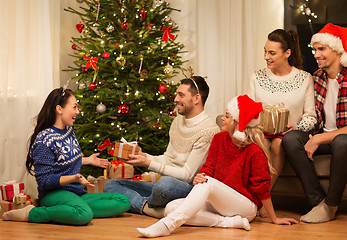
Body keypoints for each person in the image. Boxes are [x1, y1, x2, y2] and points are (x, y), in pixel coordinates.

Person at [137, 95, 298, 238]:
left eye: (227, 116)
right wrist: (201, 175)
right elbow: (209, 167)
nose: (222, 118)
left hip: (245, 206)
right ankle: (227, 222)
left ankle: (167, 226)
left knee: (207, 183)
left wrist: (274, 218)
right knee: (170, 208)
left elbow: (262, 188)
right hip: (219, 202)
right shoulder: (219, 139)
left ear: (238, 122)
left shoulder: (254, 151)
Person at [2, 88, 130, 225]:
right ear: (59, 109)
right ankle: (31, 213)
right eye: (74, 107)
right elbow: (44, 180)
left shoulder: (68, 130)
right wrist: (74, 178)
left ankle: (71, 209)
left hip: (76, 193)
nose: (77, 112)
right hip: (54, 194)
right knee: (84, 215)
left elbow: (64, 159)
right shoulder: (44, 140)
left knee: (123, 201)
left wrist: (87, 160)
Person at [103, 75, 220, 218]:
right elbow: (168, 158)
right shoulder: (178, 121)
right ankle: (149, 208)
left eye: (181, 95)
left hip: (187, 188)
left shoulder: (208, 130)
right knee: (111, 185)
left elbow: (187, 176)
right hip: (164, 186)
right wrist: (145, 157)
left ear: (196, 99)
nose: (176, 99)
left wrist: (148, 163)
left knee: (165, 185)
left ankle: (144, 204)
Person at [282, 23, 347, 223]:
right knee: (291, 139)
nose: (316, 54)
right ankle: (318, 201)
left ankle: (331, 205)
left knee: (341, 141)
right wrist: (297, 126)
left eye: (321, 49)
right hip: (325, 136)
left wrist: (320, 138)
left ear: (336, 49)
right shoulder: (316, 78)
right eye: (314, 49)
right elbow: (311, 116)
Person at [248, 29, 317, 191]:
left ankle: (266, 194)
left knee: (279, 144)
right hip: (261, 131)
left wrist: (296, 128)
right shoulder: (256, 77)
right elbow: (249, 110)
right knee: (262, 142)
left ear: (287, 53)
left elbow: (311, 117)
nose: (266, 57)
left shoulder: (304, 78)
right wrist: (257, 126)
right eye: (265, 51)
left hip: (287, 135)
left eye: (272, 53)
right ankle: (255, 195)